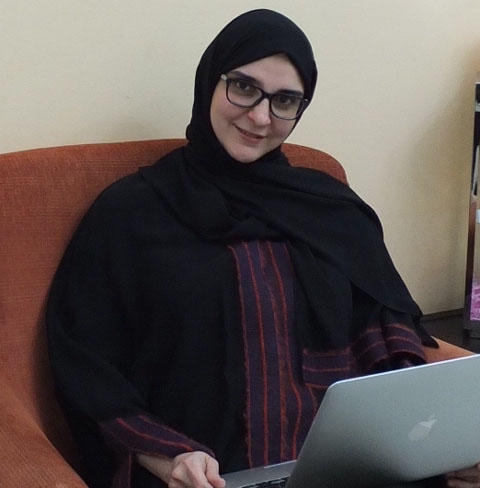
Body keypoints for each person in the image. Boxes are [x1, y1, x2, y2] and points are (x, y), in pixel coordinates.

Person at [46, 9, 480, 488]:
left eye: (285, 100)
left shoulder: (331, 210)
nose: (259, 117)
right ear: (210, 80)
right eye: (244, 87)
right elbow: (85, 362)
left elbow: (386, 338)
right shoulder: (130, 212)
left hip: (347, 470)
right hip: (204, 476)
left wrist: (435, 442)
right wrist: (167, 456)